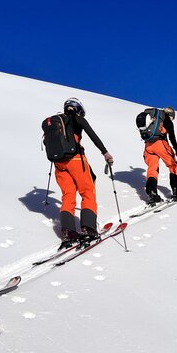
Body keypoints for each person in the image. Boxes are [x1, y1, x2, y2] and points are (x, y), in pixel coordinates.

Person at [55, 97, 114, 244]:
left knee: (68, 195)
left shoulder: (57, 122)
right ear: (78, 109)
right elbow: (93, 135)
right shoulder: (78, 119)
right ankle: (88, 228)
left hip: (59, 164)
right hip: (75, 160)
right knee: (87, 191)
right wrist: (105, 152)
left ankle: (68, 231)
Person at [138, 107, 177, 205]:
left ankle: (152, 194)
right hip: (160, 144)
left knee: (152, 169)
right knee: (173, 165)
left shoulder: (153, 119)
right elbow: (172, 136)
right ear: (170, 115)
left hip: (148, 146)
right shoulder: (166, 119)